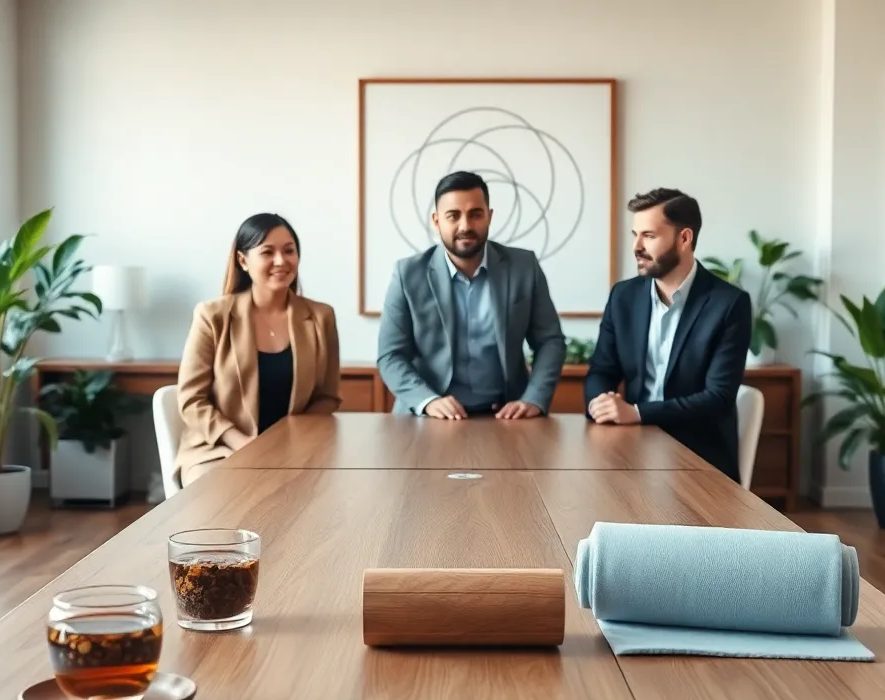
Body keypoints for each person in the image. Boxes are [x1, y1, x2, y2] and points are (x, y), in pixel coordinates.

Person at [584, 188, 752, 482]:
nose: (636, 246)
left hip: (699, 461)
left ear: (684, 238)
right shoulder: (624, 296)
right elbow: (601, 370)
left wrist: (637, 412)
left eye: (649, 236)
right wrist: (601, 403)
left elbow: (718, 398)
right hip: (629, 449)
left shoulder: (729, 304)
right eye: (635, 234)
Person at [377, 171, 566, 419]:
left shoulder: (524, 267)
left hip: (506, 417)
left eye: (475, 214)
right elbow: (390, 355)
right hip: (428, 417)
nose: (465, 226)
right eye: (453, 216)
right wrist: (428, 400)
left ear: (489, 216)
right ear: (436, 221)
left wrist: (533, 399)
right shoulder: (407, 274)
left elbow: (550, 342)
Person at [174, 213, 341, 487]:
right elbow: (192, 400)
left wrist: (288, 441)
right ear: (243, 260)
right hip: (219, 451)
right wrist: (242, 443)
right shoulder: (212, 316)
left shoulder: (321, 317)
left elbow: (327, 398)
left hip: (296, 453)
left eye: (289, 251)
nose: (281, 261)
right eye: (267, 252)